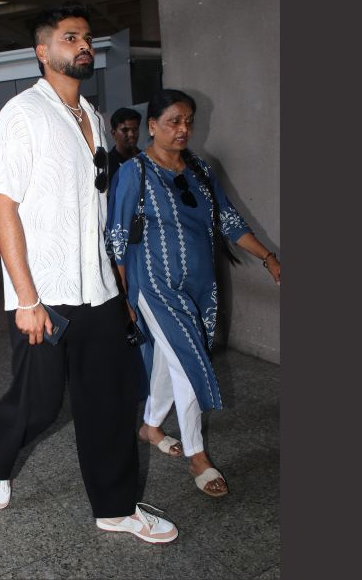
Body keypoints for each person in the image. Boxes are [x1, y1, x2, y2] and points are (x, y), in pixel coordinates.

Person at [0, 2, 178, 544]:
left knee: (109, 402)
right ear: (42, 51)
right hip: (43, 293)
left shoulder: (91, 116)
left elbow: (96, 208)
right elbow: (3, 207)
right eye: (70, 38)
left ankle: (115, 508)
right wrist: (26, 299)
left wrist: (117, 281)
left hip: (99, 290)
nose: (84, 45)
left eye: (87, 37)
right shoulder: (22, 113)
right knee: (41, 403)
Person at [108, 88, 281, 498]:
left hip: (200, 286)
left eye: (188, 121)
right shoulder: (134, 172)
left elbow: (229, 220)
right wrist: (123, 297)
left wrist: (268, 257)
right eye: (173, 122)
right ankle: (197, 455)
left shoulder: (200, 169)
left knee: (170, 359)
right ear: (152, 126)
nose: (183, 129)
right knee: (189, 363)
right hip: (155, 284)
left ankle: (151, 426)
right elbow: (117, 237)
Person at [106, 107, 142, 211]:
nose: (131, 134)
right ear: (113, 133)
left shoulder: (147, 160)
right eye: (125, 130)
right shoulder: (106, 165)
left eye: (135, 129)